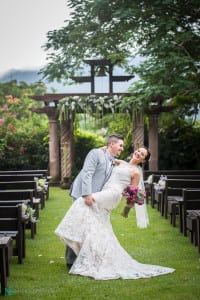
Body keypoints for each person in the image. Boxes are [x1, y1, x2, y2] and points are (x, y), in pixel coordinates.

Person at [55, 146, 175, 280]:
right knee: (97, 223)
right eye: (138, 151)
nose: (138, 153)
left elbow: (134, 194)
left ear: (143, 161)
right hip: (105, 190)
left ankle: (68, 232)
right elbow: (107, 156)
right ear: (133, 152)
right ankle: (93, 254)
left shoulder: (136, 173)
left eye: (141, 154)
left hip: (113, 194)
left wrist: (127, 209)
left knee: (81, 202)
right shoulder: (121, 163)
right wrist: (104, 148)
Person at [65, 134, 125, 269]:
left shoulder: (111, 160)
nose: (122, 149)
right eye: (120, 145)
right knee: (77, 225)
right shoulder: (96, 153)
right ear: (111, 144)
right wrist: (86, 194)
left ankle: (85, 258)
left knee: (89, 227)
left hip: (94, 197)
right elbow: (87, 173)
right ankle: (70, 261)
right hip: (81, 194)